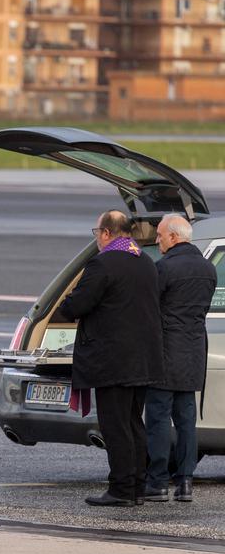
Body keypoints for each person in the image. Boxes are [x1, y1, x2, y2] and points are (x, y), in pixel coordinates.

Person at [59, 210, 163, 507]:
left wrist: (68, 304)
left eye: (97, 233)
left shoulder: (103, 263)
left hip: (113, 359)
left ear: (106, 233)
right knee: (133, 423)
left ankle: (120, 489)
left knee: (115, 425)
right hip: (143, 358)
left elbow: (77, 304)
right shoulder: (145, 261)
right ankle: (137, 489)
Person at [143, 214, 216, 503]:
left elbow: (150, 311)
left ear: (174, 237)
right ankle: (185, 481)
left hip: (164, 352)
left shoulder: (164, 269)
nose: (157, 239)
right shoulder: (209, 269)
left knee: (158, 419)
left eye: (160, 235)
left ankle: (158, 481)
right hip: (194, 350)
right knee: (187, 420)